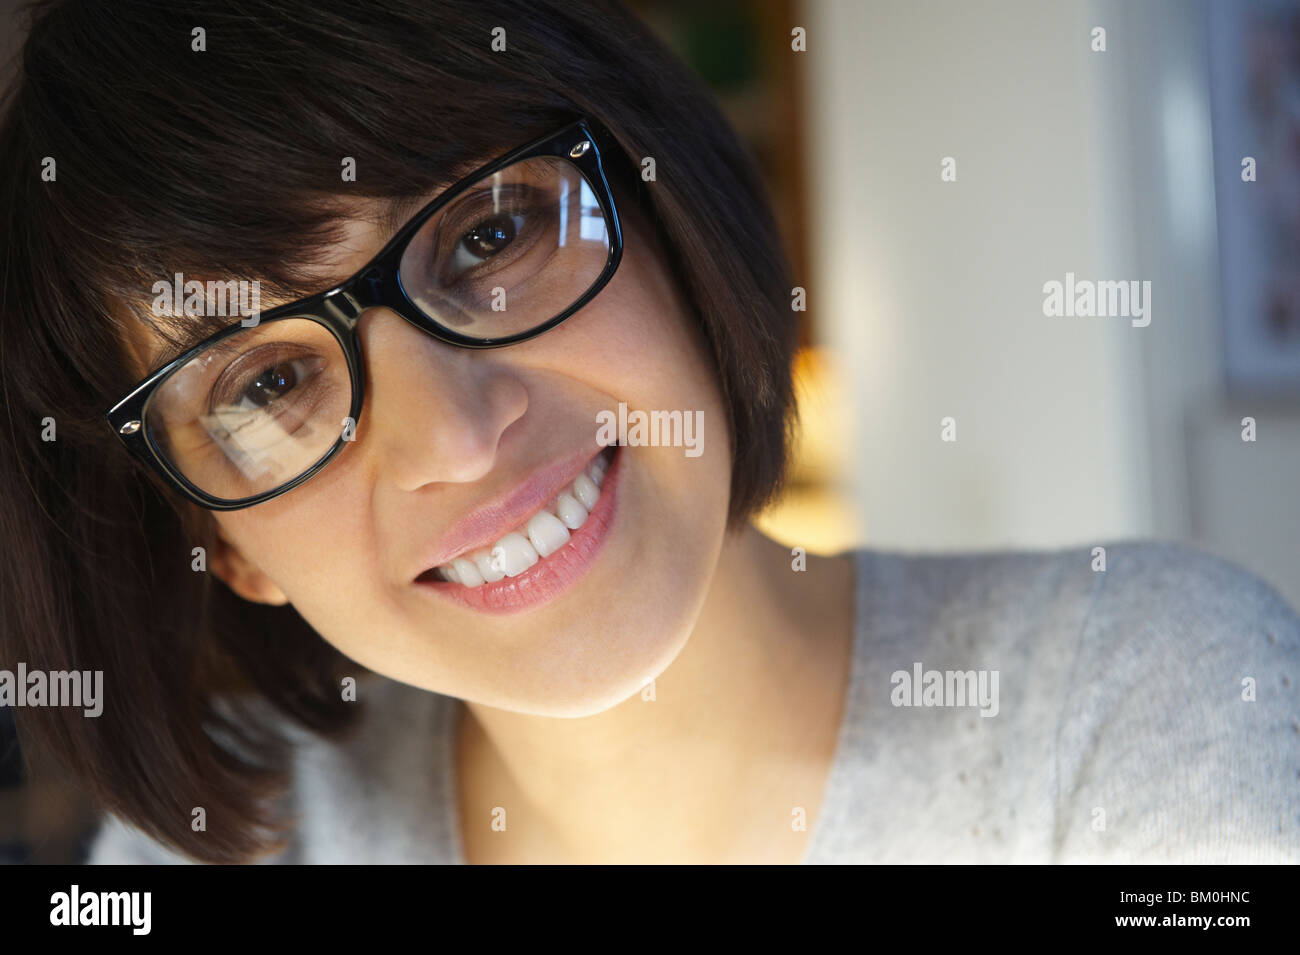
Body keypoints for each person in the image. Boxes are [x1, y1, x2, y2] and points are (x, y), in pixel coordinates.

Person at [2, 0, 1296, 865]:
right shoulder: (229, 848)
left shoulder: (1146, 707)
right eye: (268, 388)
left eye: (492, 235)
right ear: (222, 542)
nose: (455, 434)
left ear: (665, 212)